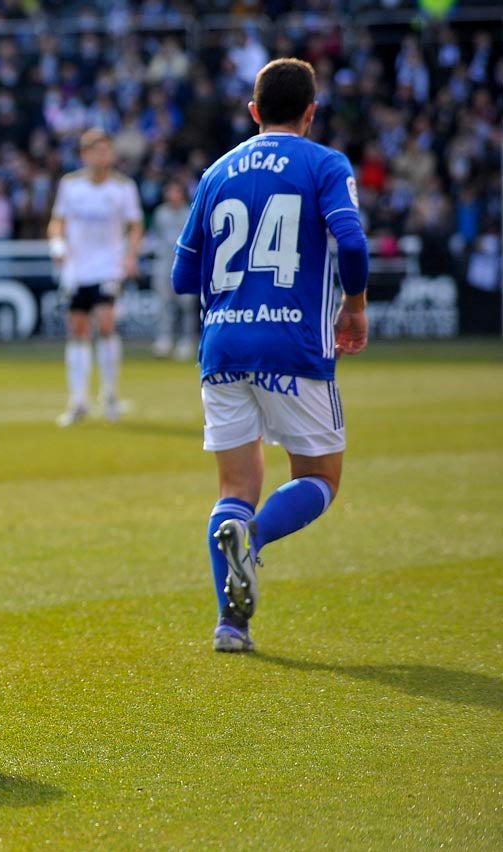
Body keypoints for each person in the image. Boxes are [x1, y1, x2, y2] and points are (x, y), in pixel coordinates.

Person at [171, 58, 369, 653]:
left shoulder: (217, 172)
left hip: (223, 345)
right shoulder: (324, 163)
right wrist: (354, 306)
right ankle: (251, 539)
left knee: (234, 485)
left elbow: (184, 275)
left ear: (253, 111)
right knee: (320, 479)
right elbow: (353, 242)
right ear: (310, 112)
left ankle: (231, 626)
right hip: (294, 346)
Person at [48, 128, 144, 426]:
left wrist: (129, 257)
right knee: (77, 329)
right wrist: (58, 245)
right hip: (77, 269)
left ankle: (110, 394)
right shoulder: (71, 185)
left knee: (105, 322)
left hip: (108, 266)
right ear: (85, 155)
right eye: (97, 151)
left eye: (107, 151)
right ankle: (78, 400)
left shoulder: (122, 187)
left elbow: (136, 225)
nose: (104, 157)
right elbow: (57, 222)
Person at [150, 179, 197, 361]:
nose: (173, 196)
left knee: (187, 306)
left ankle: (187, 341)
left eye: (176, 192)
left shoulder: (189, 212)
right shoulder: (160, 213)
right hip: (164, 263)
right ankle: (164, 340)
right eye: (170, 192)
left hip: (185, 263)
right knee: (164, 305)